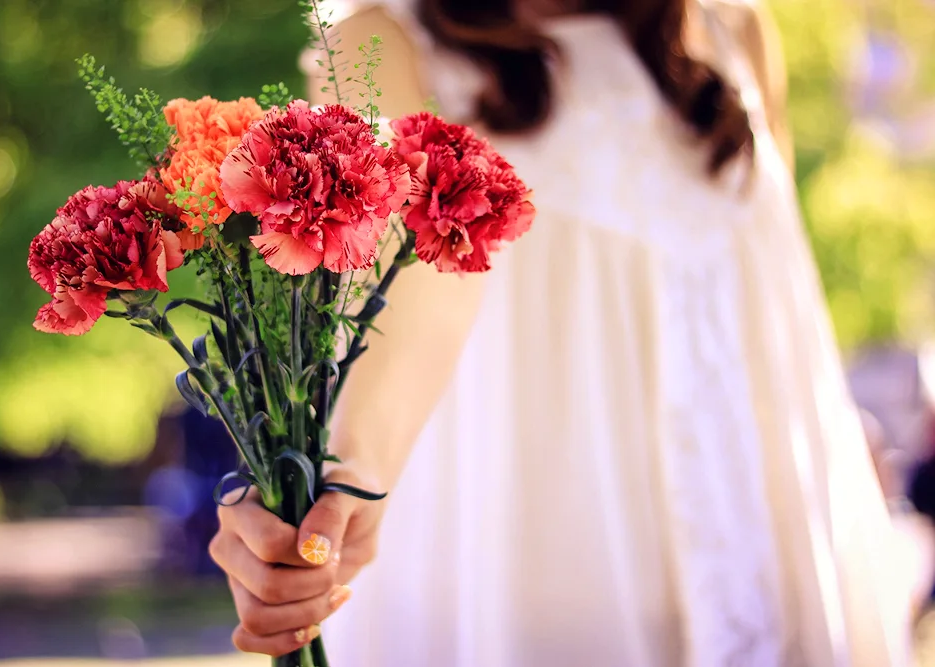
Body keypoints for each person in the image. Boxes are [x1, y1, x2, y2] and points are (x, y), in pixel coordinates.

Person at [209, 0, 915, 664]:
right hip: (542, 557)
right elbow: (415, 297)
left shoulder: (731, 30)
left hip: (771, 538)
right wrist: (342, 484)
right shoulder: (381, 44)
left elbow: (769, 293)